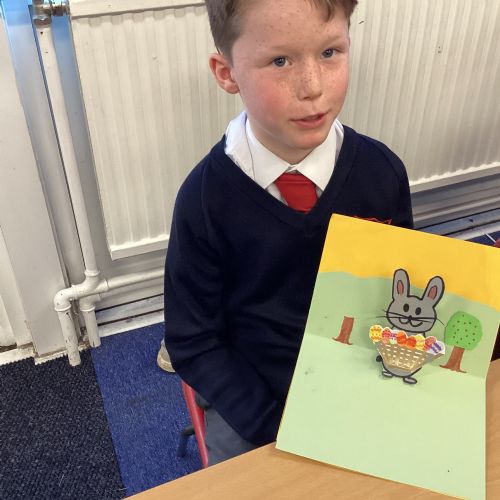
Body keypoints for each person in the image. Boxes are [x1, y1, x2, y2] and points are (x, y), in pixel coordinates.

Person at [163, 0, 413, 465]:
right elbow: (193, 341)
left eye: (330, 53)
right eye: (280, 61)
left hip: (361, 373)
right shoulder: (204, 200)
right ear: (227, 73)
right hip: (256, 396)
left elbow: (399, 289)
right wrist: (277, 425)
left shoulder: (381, 172)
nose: (313, 87)